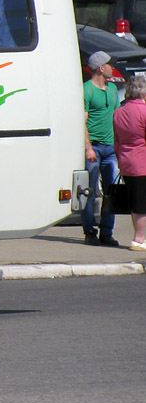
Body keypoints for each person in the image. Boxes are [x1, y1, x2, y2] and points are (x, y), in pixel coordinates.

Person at [83, 50, 121, 247]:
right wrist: (88, 148)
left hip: (111, 148)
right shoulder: (86, 90)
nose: (112, 67)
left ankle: (107, 232)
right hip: (94, 148)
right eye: (109, 64)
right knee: (89, 190)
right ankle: (90, 231)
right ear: (100, 68)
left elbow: (117, 118)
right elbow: (83, 122)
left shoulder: (112, 89)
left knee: (111, 191)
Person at [113, 74, 146, 252]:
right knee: (141, 203)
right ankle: (139, 239)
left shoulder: (119, 112)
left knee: (136, 201)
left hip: (126, 161)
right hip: (142, 162)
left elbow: (117, 141)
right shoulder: (144, 111)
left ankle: (139, 237)